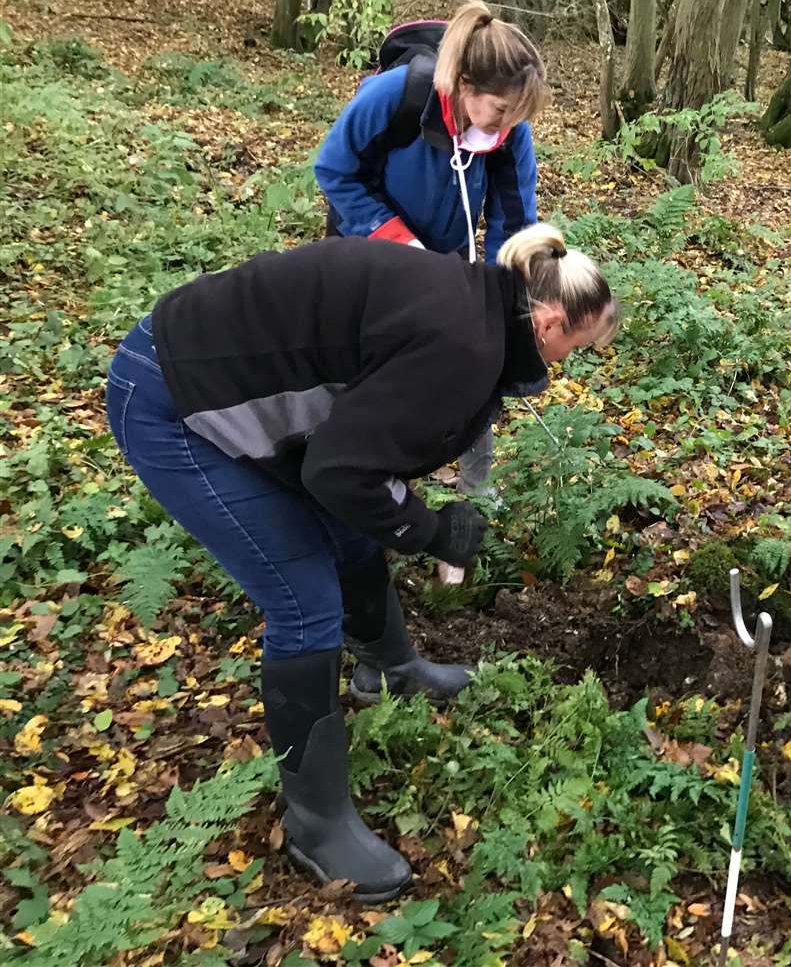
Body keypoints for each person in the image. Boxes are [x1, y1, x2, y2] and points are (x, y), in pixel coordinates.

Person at [105, 225, 615, 901]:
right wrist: (432, 531)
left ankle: (394, 669)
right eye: (575, 349)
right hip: (175, 398)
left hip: (219, 371)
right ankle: (317, 824)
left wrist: (410, 517)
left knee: (348, 535)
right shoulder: (464, 343)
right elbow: (341, 472)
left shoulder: (478, 309)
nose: (562, 367)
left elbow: (357, 453)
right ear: (549, 322)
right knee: (303, 600)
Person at [315, 0, 549, 520]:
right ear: (465, 85)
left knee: (473, 356)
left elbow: (515, 219)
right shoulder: (395, 96)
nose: (508, 125)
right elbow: (335, 171)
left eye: (518, 115)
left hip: (448, 259)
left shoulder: (509, 133)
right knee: (368, 367)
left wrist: (503, 298)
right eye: (500, 110)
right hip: (367, 257)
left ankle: (476, 490)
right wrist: (394, 238)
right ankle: (349, 482)